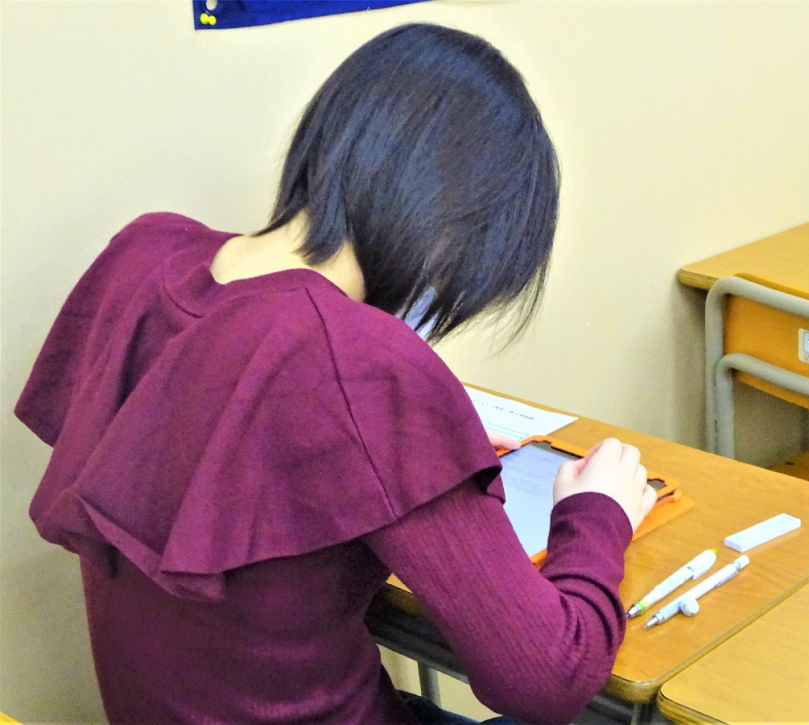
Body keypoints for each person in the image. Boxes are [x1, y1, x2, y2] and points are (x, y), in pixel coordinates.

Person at [15, 23, 656, 725]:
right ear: (454, 225)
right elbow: (550, 676)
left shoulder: (142, 259)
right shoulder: (357, 362)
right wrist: (597, 516)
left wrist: (417, 466)